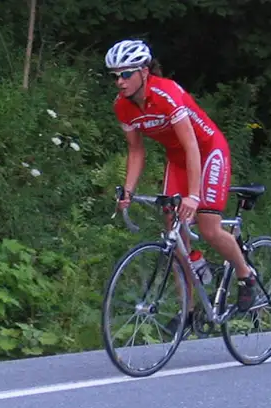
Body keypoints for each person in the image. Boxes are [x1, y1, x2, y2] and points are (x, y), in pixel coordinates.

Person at [106, 39, 260, 330]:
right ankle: (189, 310)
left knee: (208, 227)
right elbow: (136, 150)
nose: (119, 82)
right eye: (114, 76)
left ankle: (246, 275)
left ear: (144, 71)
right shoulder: (123, 107)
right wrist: (128, 189)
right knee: (173, 231)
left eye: (125, 74)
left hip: (207, 151)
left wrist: (192, 195)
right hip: (177, 159)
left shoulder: (166, 93)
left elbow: (191, 145)